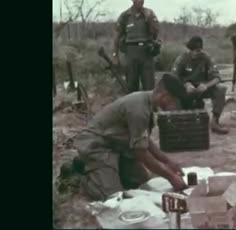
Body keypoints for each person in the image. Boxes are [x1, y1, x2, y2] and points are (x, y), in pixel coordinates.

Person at [66, 73, 188, 201]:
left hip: (116, 146)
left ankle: (106, 170)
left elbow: (144, 139)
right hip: (97, 145)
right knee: (112, 196)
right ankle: (78, 173)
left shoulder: (147, 102)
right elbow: (141, 153)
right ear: (164, 95)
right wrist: (171, 177)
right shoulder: (139, 109)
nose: (174, 105)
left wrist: (167, 162)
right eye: (174, 100)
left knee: (140, 181)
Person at [171, 36, 229, 134]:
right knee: (174, 93)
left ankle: (215, 122)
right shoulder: (182, 59)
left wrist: (206, 86)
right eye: (194, 51)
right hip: (186, 89)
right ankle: (178, 120)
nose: (196, 53)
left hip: (202, 88)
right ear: (190, 50)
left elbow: (217, 78)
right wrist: (185, 85)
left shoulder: (206, 58)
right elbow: (172, 78)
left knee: (220, 90)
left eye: (199, 51)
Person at [112, 0, 161, 93]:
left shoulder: (150, 13)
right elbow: (117, 36)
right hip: (131, 52)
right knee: (131, 86)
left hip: (146, 52)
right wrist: (115, 56)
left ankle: (149, 109)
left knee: (149, 87)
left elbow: (155, 34)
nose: (140, 1)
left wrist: (149, 20)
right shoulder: (125, 16)